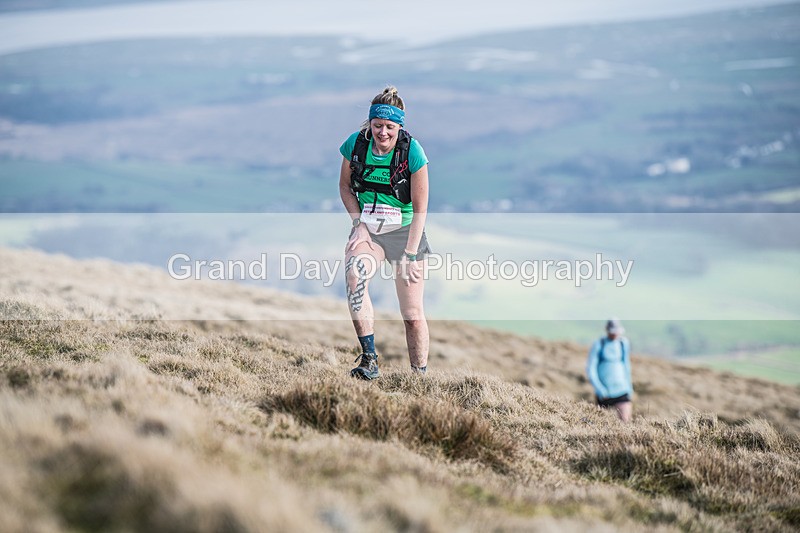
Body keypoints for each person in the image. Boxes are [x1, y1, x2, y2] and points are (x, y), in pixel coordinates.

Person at [338, 86, 432, 380]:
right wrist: (358, 224)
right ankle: (369, 360)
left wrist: (410, 253)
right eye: (377, 125)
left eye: (390, 127)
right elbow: (344, 186)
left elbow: (420, 208)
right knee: (355, 278)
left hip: (406, 233)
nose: (383, 132)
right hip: (370, 231)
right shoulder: (355, 145)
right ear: (370, 123)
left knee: (412, 315)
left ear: (399, 126)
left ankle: (419, 376)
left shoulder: (412, 152)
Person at [586, 318, 633, 422]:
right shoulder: (599, 344)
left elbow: (626, 365)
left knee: (626, 421)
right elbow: (591, 368)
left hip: (622, 390)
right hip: (604, 393)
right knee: (601, 422)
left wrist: (629, 387)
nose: (615, 334)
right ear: (607, 330)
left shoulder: (623, 343)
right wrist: (600, 389)